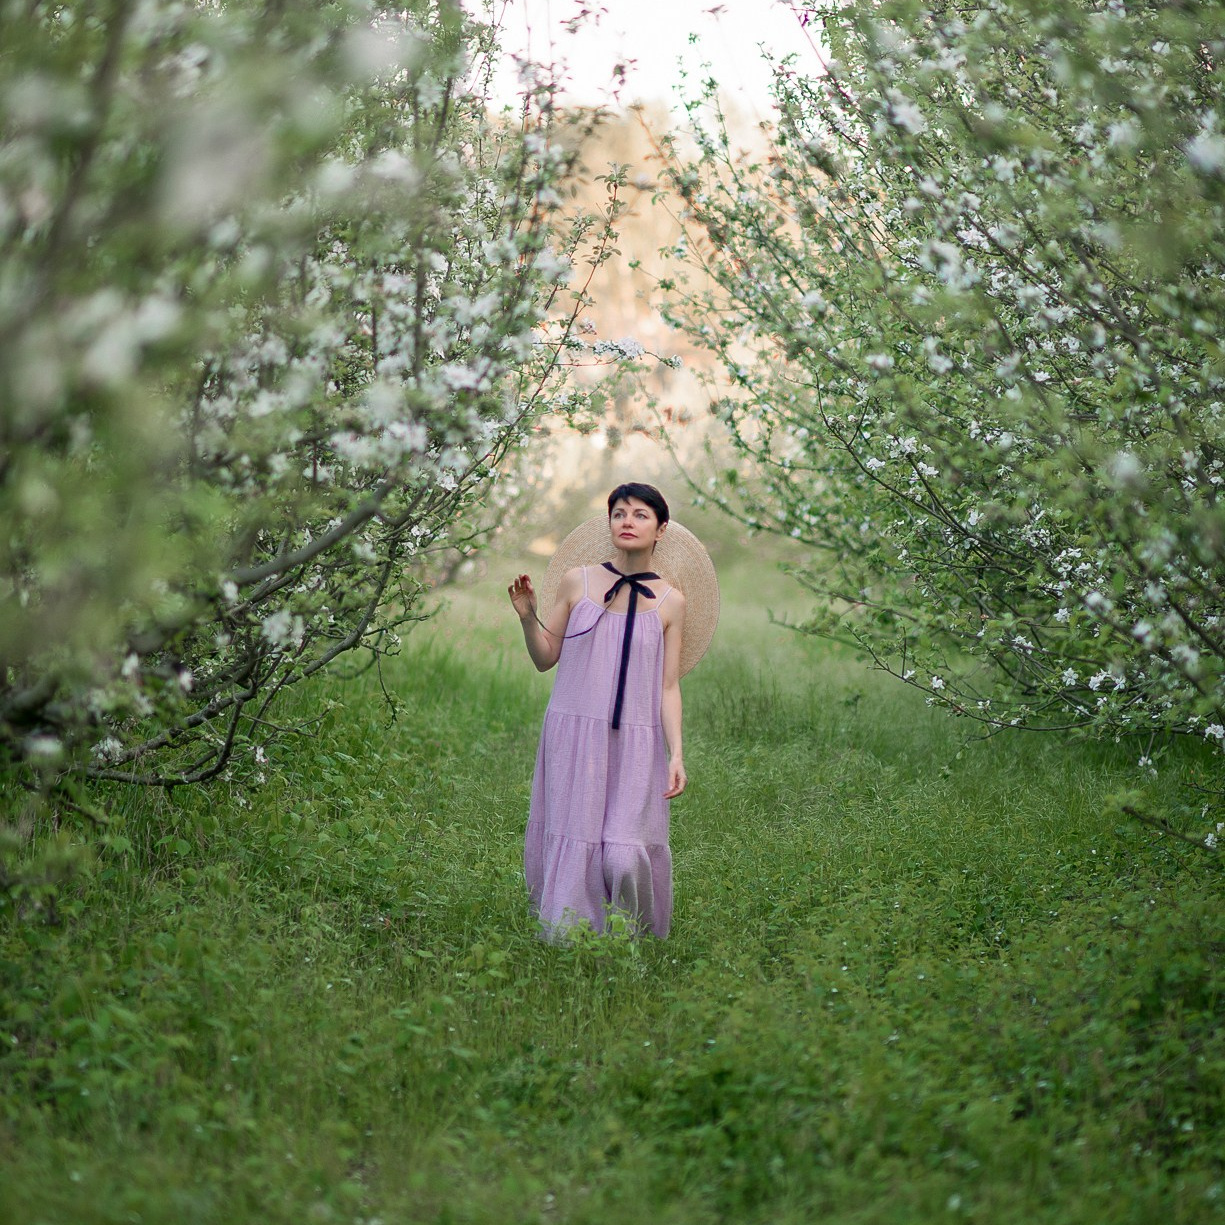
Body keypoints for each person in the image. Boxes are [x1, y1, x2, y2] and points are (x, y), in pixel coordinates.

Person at [508, 483, 686, 939]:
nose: (628, 520)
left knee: (623, 854)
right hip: (574, 733)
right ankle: (571, 941)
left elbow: (668, 686)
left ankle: (632, 939)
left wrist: (677, 754)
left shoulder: (671, 602)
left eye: (641, 514)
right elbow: (546, 657)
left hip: (636, 742)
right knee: (575, 834)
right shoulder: (578, 581)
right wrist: (529, 617)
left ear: (660, 529)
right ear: (608, 524)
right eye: (619, 513)